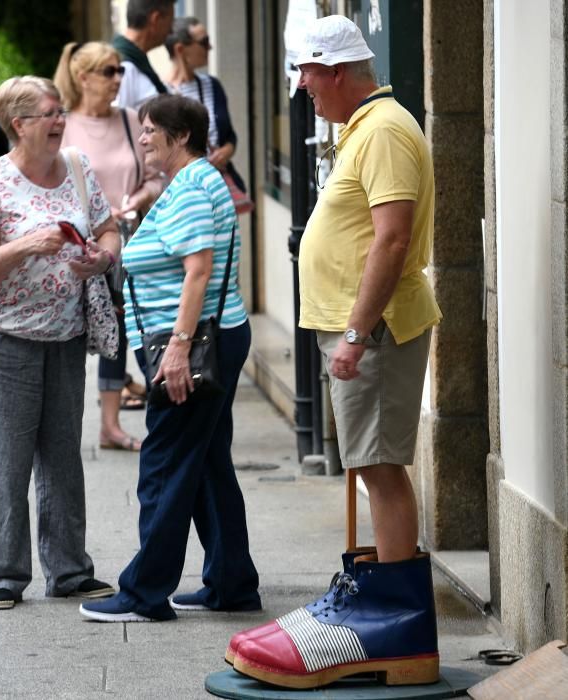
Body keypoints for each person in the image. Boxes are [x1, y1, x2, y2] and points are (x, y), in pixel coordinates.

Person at [227, 16, 442, 689]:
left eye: (308, 73)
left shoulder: (381, 131)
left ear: (341, 71)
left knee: (379, 466)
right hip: (361, 328)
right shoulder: (366, 128)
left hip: (373, 331)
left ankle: (395, 619)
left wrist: (354, 332)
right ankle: (378, 602)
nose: (300, 88)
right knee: (372, 466)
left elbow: (392, 240)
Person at [79, 94, 260, 623]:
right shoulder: (195, 182)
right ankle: (231, 582)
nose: (141, 139)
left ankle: (144, 593)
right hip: (213, 337)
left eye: (150, 130)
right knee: (205, 463)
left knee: (164, 465)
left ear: (180, 137)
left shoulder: (191, 188)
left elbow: (198, 270)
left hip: (192, 345)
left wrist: (179, 347)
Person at [0, 75, 121, 610]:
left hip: (66, 336)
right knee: (4, 460)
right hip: (4, 341)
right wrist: (26, 245)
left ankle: (70, 571)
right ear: (19, 124)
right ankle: (0, 576)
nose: (60, 120)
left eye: (60, 111)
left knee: (62, 458)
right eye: (49, 113)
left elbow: (108, 227)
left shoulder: (76, 167)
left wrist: (103, 255)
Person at [54, 41, 165, 451]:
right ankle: (62, 424)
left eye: (119, 70)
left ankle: (111, 425)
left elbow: (156, 175)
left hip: (133, 236)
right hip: (81, 243)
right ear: (83, 78)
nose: (118, 79)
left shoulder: (130, 121)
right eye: (108, 72)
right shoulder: (63, 125)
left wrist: (140, 197)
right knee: (79, 330)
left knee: (123, 325)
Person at [164, 17, 248, 200]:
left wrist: (226, 151)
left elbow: (230, 135)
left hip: (215, 188)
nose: (210, 47)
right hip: (181, 194)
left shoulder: (212, 85)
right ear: (180, 49)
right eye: (204, 42)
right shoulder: (162, 94)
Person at [112, 0, 174, 111]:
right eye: (170, 22)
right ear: (156, 19)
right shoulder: (123, 67)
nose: (171, 31)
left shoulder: (136, 58)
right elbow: (116, 122)